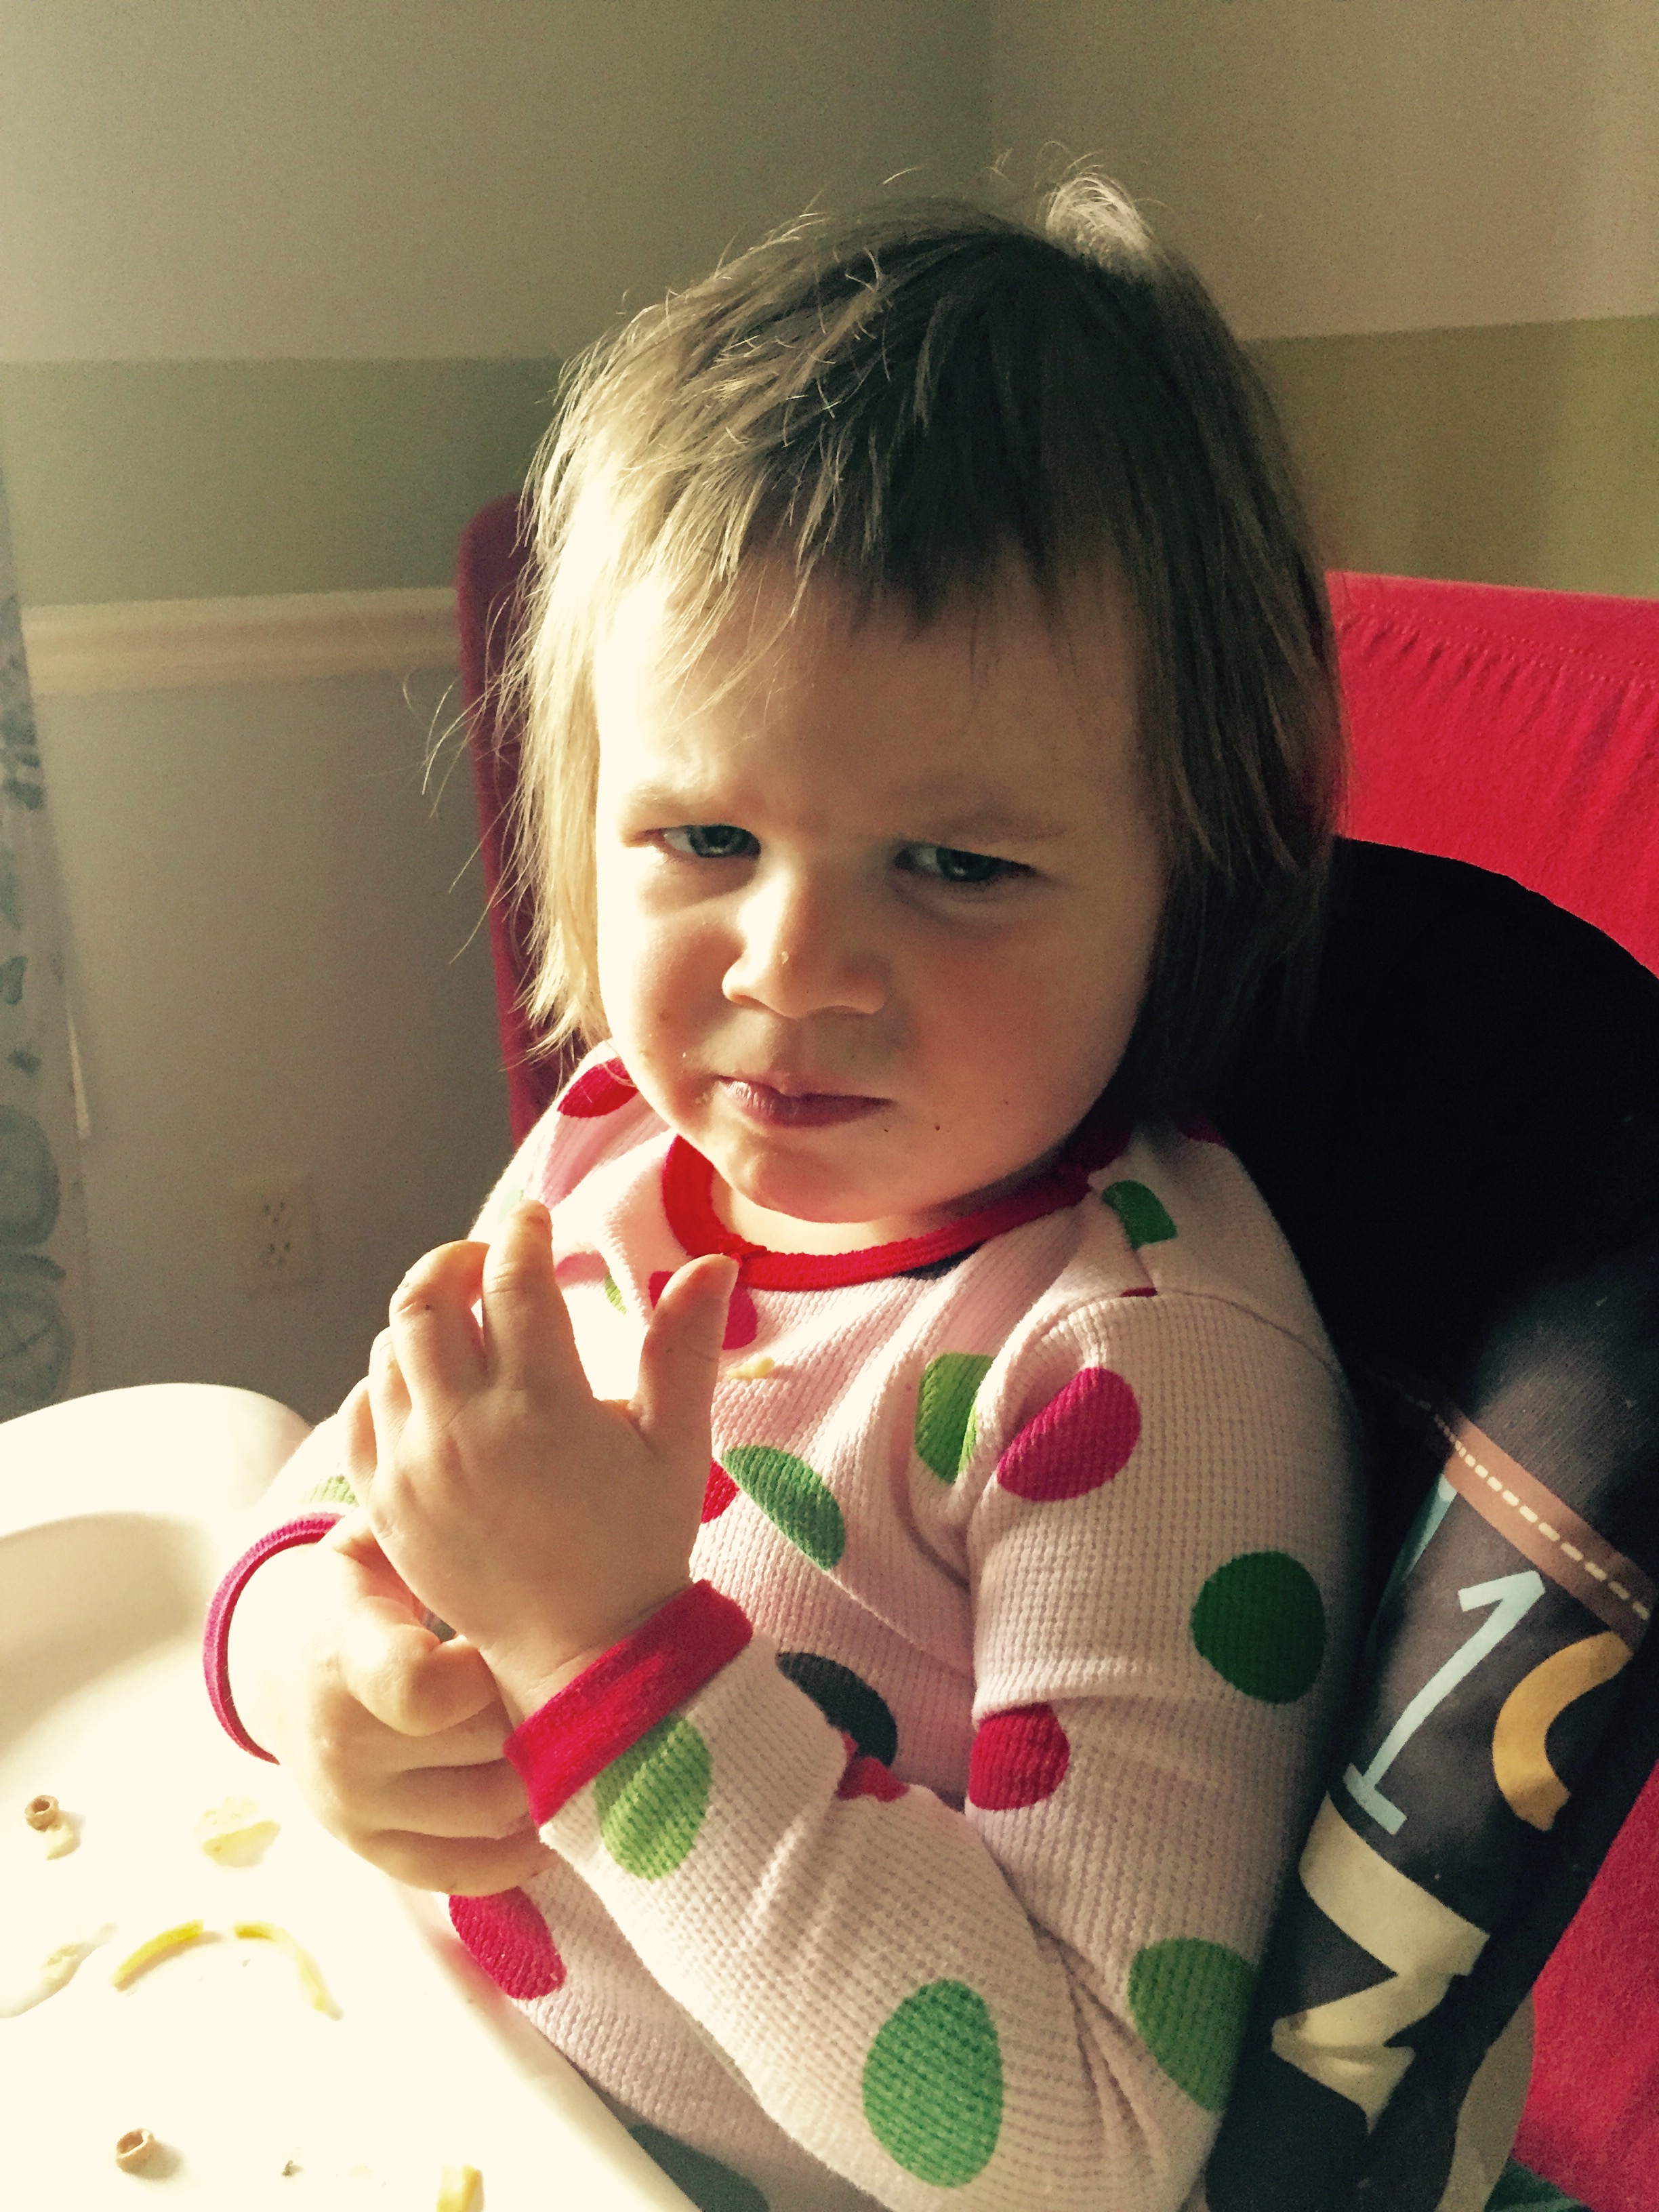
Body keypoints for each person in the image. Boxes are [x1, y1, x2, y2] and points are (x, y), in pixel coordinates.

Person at [207, 172, 1361, 2212]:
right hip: (468, 2093)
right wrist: (311, 1659)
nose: (793, 969)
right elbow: (372, 1489)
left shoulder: (1133, 1368)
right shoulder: (612, 1155)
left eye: (961, 865)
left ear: (1198, 871)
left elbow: (1089, 2149)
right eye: (708, 838)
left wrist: (612, 1663)